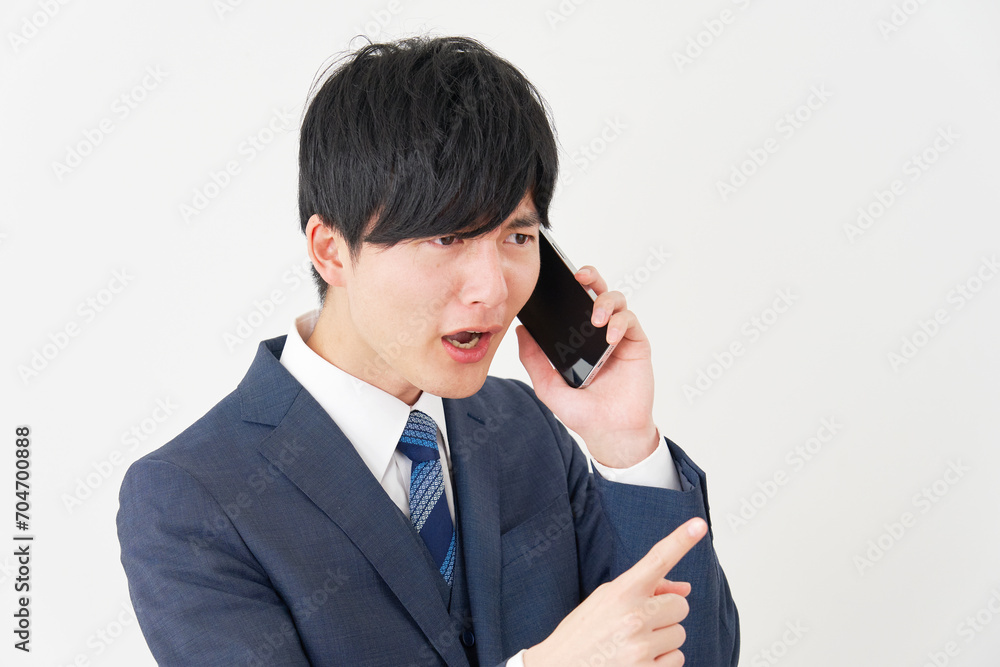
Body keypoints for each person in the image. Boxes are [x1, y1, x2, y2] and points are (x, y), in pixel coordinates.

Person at [117, 35, 739, 666]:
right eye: (447, 237)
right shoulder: (189, 497)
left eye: (517, 236)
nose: (493, 289)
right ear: (332, 250)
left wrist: (627, 446)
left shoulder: (526, 428)